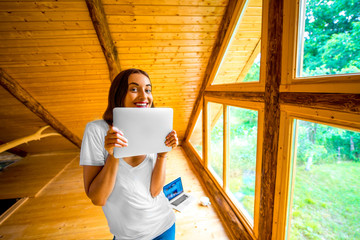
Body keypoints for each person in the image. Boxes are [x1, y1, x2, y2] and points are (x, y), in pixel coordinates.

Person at [80, 68, 178, 240]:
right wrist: (113, 154)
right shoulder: (96, 131)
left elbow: (155, 191)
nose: (144, 96)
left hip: (164, 226)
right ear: (118, 93)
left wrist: (162, 155)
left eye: (148, 89)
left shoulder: (154, 127)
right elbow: (98, 199)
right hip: (127, 236)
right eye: (134, 89)